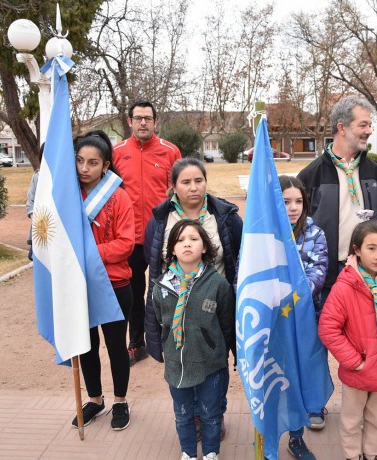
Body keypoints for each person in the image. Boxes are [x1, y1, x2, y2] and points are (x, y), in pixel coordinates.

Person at [298, 96, 377, 429]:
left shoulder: (376, 173)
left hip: (366, 273)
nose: (368, 130)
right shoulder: (310, 173)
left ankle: (363, 405)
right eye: (363, 124)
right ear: (342, 127)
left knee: (365, 339)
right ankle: (315, 403)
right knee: (317, 340)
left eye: (369, 124)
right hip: (326, 273)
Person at [143, 157, 242, 439]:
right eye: (185, 182)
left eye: (199, 180)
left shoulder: (224, 216)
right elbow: (152, 261)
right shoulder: (161, 220)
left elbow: (242, 252)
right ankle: (194, 415)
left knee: (215, 362)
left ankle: (214, 412)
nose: (193, 187)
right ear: (173, 186)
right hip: (177, 308)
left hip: (215, 305)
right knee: (182, 359)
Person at [318, 220, 377, 460]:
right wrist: (355, 361)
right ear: (356, 250)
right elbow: (328, 328)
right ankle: (352, 455)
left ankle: (371, 454)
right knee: (350, 420)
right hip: (357, 370)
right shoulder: (345, 287)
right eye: (371, 248)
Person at [152, 219, 234, 460]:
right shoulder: (162, 287)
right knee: (183, 413)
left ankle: (210, 453)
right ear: (172, 250)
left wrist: (214, 346)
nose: (187, 244)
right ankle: (188, 452)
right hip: (177, 364)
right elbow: (161, 320)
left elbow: (226, 322)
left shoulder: (218, 284)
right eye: (180, 240)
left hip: (211, 364)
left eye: (194, 239)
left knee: (210, 413)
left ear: (205, 247)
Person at [71, 130, 135, 431]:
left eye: (93, 163)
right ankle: (95, 399)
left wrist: (88, 252)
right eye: (80, 161)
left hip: (115, 284)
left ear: (105, 166)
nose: (85, 168)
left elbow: (126, 244)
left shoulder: (119, 196)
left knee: (115, 346)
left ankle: (120, 400)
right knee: (86, 345)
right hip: (78, 285)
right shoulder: (69, 196)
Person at [113, 100, 182, 366]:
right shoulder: (117, 152)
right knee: (133, 293)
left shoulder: (170, 151)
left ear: (155, 122)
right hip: (128, 238)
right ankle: (136, 344)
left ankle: (170, 338)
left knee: (164, 290)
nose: (143, 122)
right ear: (129, 121)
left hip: (161, 235)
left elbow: (180, 189)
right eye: (138, 118)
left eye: (148, 118)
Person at [279, 175, 329, 460]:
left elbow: (318, 273)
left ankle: (297, 437)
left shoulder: (315, 234)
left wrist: (289, 296)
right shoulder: (262, 234)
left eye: (298, 201)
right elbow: (246, 275)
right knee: (276, 377)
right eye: (286, 202)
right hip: (273, 321)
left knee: (300, 375)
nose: (293, 207)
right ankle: (271, 432)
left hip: (304, 318)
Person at [25, 143, 44, 261]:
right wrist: (37, 220)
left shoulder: (70, 178)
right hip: (42, 229)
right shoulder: (38, 177)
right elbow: (30, 203)